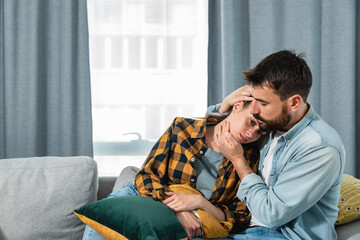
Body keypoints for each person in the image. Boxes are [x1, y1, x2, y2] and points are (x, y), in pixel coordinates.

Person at [207, 50, 345, 240]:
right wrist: (223, 108)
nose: (253, 109)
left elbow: (271, 215)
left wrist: (238, 160)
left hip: (283, 235)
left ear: (294, 102)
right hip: (239, 225)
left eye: (262, 103)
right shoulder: (267, 124)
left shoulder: (321, 148)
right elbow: (205, 136)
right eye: (253, 99)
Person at [82, 101, 265, 240]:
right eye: (251, 122)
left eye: (260, 132)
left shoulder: (247, 159)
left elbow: (240, 216)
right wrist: (178, 210)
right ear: (237, 106)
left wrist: (199, 202)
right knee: (99, 228)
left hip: (196, 219)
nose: (251, 133)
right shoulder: (183, 128)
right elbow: (147, 175)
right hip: (143, 196)